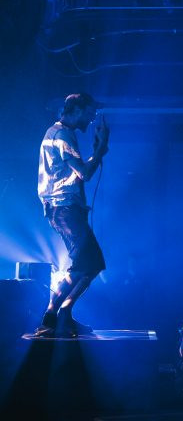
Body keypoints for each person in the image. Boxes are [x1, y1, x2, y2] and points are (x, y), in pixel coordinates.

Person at [35, 93, 110, 337]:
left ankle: (64, 314)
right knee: (85, 263)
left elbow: (76, 173)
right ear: (76, 109)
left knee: (92, 263)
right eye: (89, 113)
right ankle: (50, 315)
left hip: (65, 208)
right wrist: (99, 149)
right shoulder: (62, 135)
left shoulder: (58, 133)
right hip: (64, 209)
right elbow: (85, 173)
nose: (91, 119)